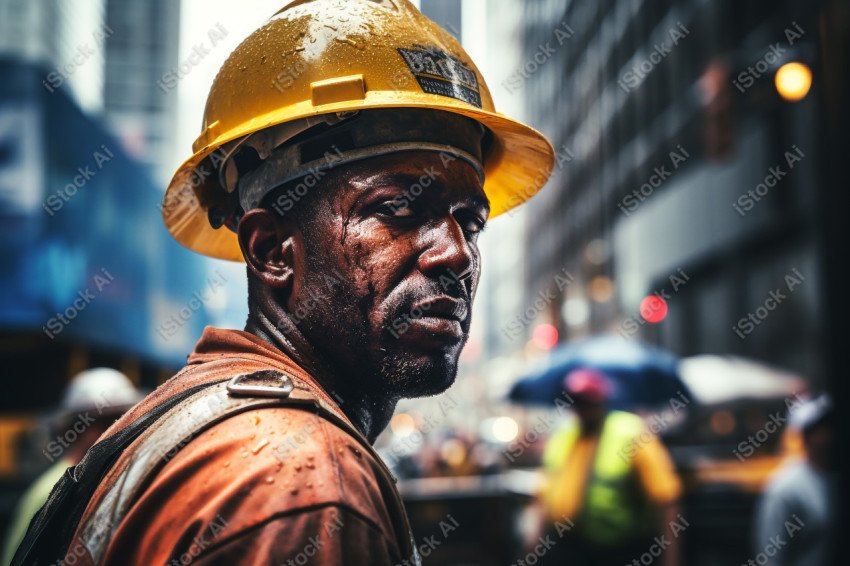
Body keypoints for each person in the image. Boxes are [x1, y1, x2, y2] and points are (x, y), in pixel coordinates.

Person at [29, 1, 555, 564]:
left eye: (469, 221)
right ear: (272, 250)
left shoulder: (190, 419)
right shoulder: (306, 488)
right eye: (398, 208)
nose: (456, 253)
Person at [537, 368, 684, 566]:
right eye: (577, 402)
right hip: (567, 549)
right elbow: (544, 495)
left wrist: (670, 559)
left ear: (601, 401)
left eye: (587, 402)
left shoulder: (631, 433)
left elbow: (667, 499)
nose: (582, 409)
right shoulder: (564, 437)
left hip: (619, 551)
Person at [1, 368, 143, 564]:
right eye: (106, 422)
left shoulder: (104, 480)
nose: (119, 431)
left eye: (125, 420)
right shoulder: (48, 490)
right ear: (75, 428)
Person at [753, 395, 835, 565]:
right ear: (808, 436)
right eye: (823, 428)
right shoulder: (787, 488)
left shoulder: (836, 478)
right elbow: (770, 557)